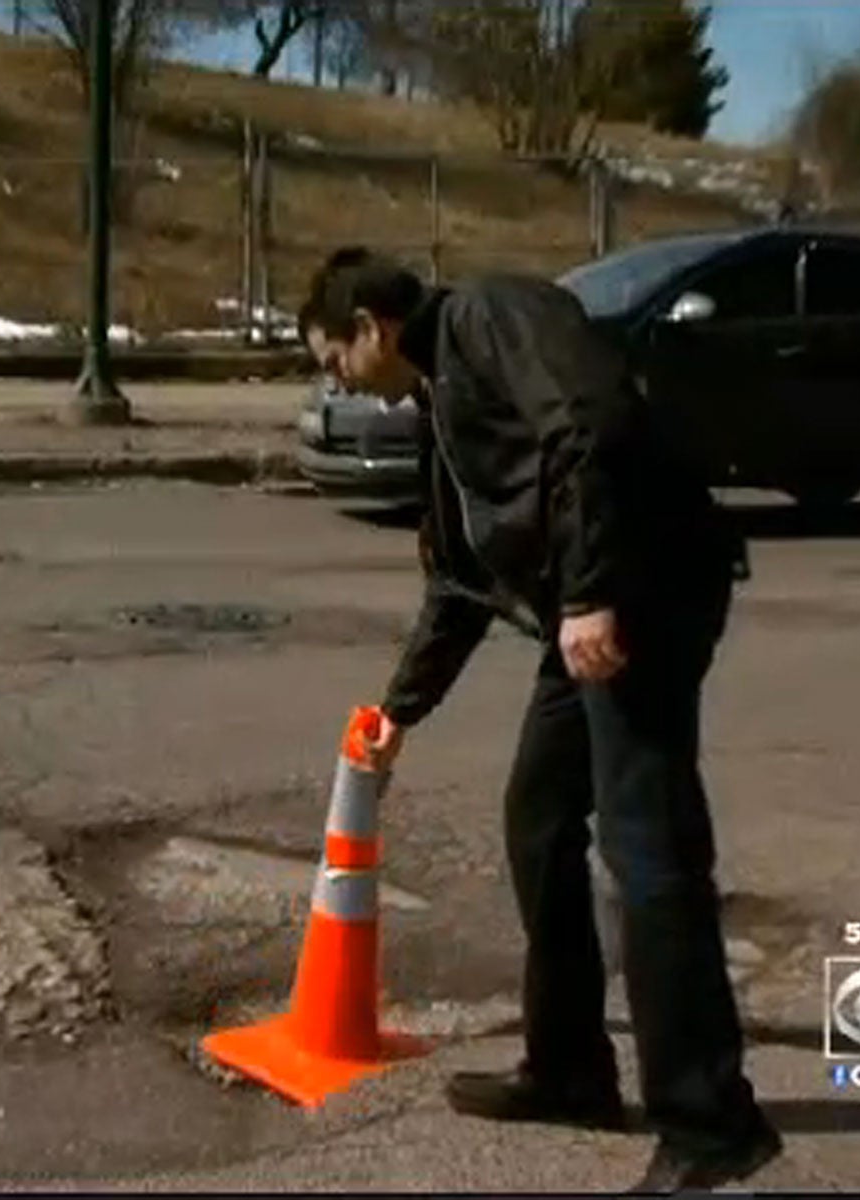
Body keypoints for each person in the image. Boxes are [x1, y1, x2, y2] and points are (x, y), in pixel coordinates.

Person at [296, 247, 781, 1195]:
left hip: (639, 599)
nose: (338, 380)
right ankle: (568, 1069)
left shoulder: (491, 315)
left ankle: (712, 1120)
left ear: (370, 327)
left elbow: (593, 423)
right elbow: (459, 581)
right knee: (540, 820)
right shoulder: (443, 395)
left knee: (648, 851)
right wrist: (400, 711)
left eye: (335, 359)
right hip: (583, 619)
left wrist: (593, 594)